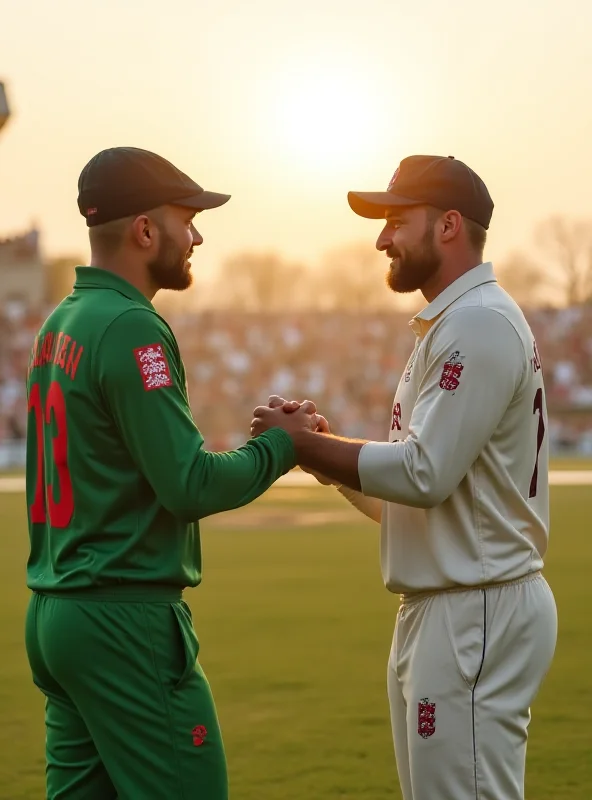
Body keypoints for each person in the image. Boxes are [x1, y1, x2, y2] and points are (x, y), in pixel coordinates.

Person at [252, 155, 558, 800]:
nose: (381, 239)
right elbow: (407, 501)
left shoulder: (475, 323)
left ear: (449, 226)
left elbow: (423, 475)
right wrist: (319, 453)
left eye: (396, 220)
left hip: (473, 606)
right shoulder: (454, 322)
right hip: (452, 604)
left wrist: (307, 445)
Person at [24, 146, 319, 800]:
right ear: (144, 230)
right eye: (186, 219)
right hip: (122, 617)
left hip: (56, 613)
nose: (197, 235)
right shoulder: (132, 326)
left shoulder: (59, 322)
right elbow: (189, 484)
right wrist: (285, 445)